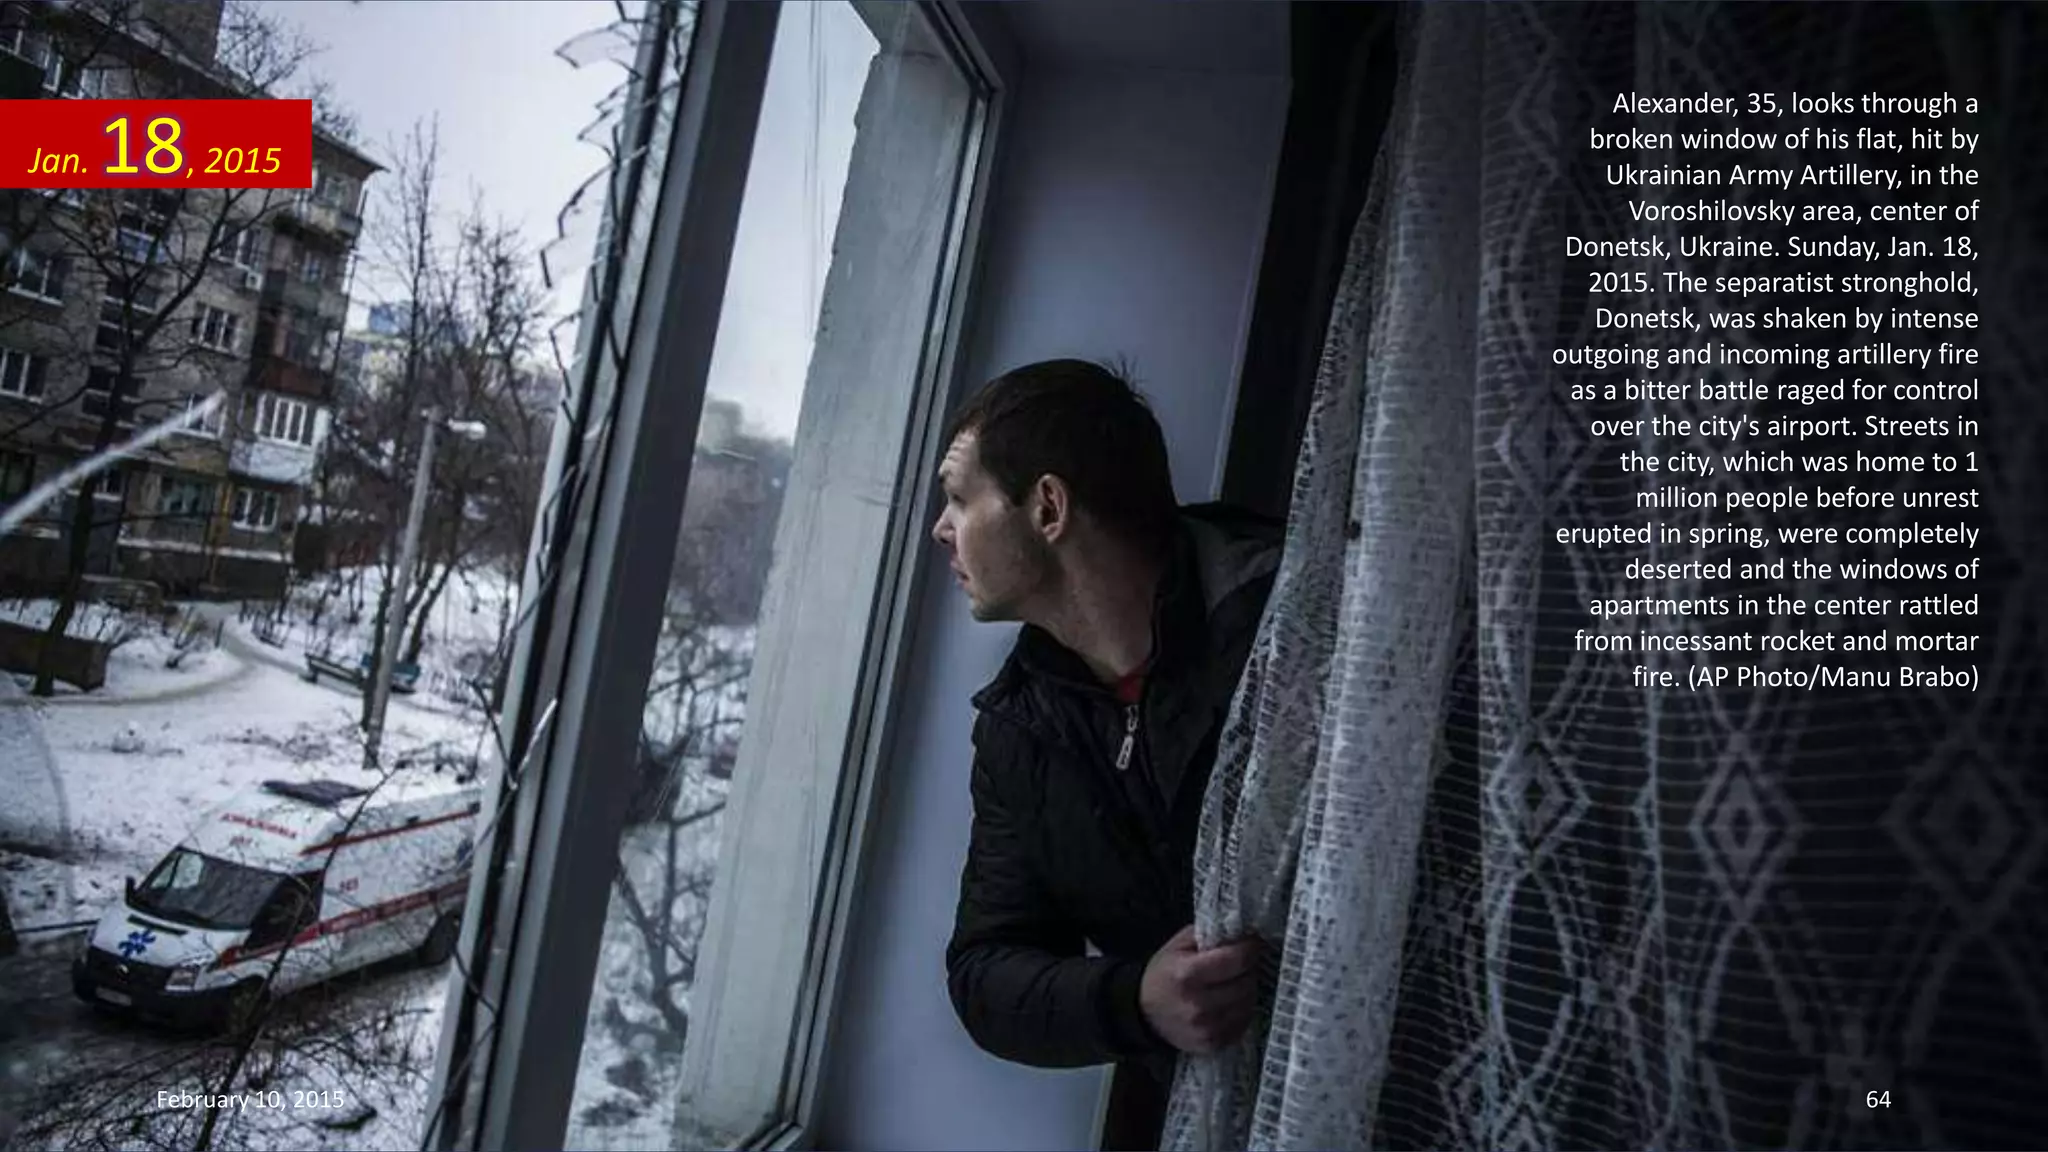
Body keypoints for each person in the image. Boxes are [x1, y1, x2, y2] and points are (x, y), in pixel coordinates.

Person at [934, 358, 1281, 1141]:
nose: (942, 529)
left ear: (1047, 507)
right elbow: (984, 972)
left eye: (959, 498)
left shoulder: (1288, 627)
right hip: (1230, 1116)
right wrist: (1136, 1002)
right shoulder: (1019, 727)